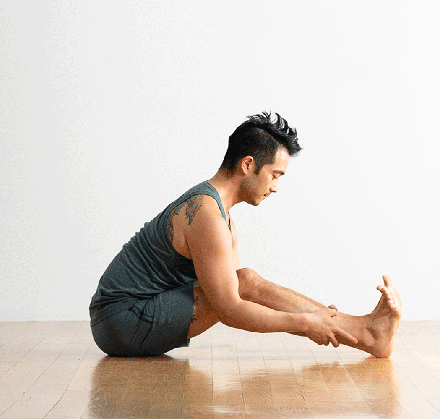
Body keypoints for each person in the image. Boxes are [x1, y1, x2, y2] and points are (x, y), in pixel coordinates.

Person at [89, 112, 401, 358]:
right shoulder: (205, 213)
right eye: (275, 175)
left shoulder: (220, 213)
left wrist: (321, 318)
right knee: (243, 283)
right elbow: (230, 309)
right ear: (248, 164)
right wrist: (307, 321)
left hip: (132, 316)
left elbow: (242, 294)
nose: (276, 187)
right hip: (119, 320)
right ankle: (366, 333)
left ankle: (366, 331)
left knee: (245, 279)